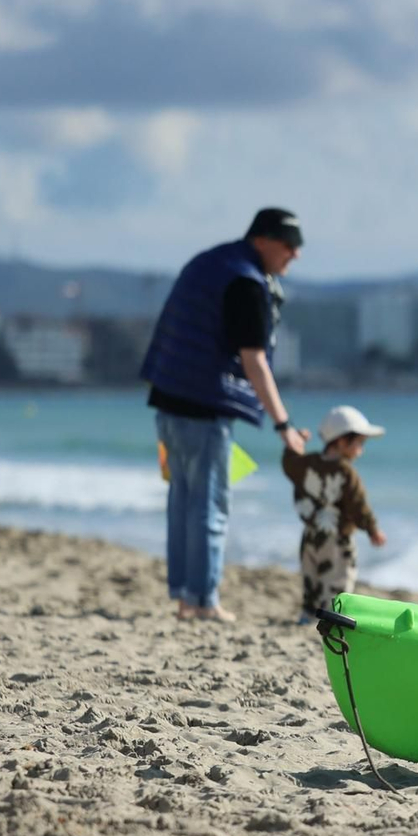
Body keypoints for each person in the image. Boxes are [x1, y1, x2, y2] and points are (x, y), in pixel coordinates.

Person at [140, 207, 311, 622]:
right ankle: (204, 600)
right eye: (289, 245)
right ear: (263, 240)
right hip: (202, 408)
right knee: (209, 504)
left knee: (182, 498)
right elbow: (254, 362)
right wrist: (284, 425)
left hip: (167, 399)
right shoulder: (245, 283)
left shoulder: (211, 262)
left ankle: (185, 597)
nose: (295, 255)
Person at [282, 404, 388, 621]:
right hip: (338, 539)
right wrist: (372, 529)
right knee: (339, 581)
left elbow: (289, 464)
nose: (361, 449)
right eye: (359, 442)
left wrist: (295, 444)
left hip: (311, 535)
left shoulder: (307, 464)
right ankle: (334, 619)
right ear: (341, 441)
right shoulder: (346, 472)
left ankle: (307, 615)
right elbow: (358, 504)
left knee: (312, 578)